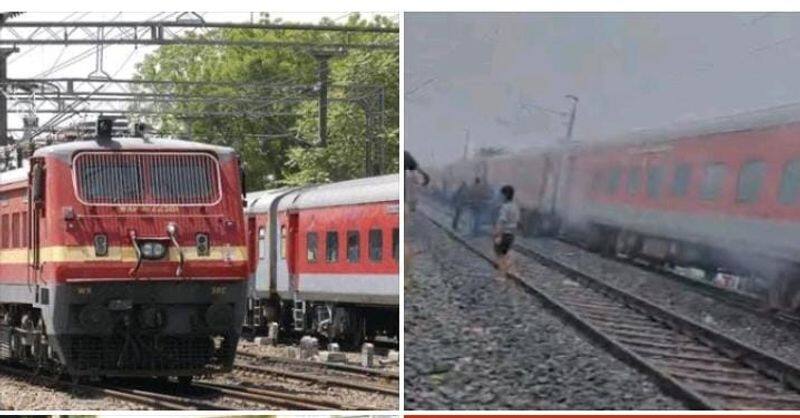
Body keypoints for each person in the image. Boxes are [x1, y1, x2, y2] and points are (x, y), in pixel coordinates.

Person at [493, 184, 520, 280]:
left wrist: (498, 234)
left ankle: (501, 275)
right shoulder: (515, 206)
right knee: (507, 252)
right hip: (512, 234)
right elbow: (517, 221)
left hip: (504, 233)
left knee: (500, 255)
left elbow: (501, 221)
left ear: (504, 195)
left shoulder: (505, 207)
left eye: (501, 194)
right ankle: (513, 271)